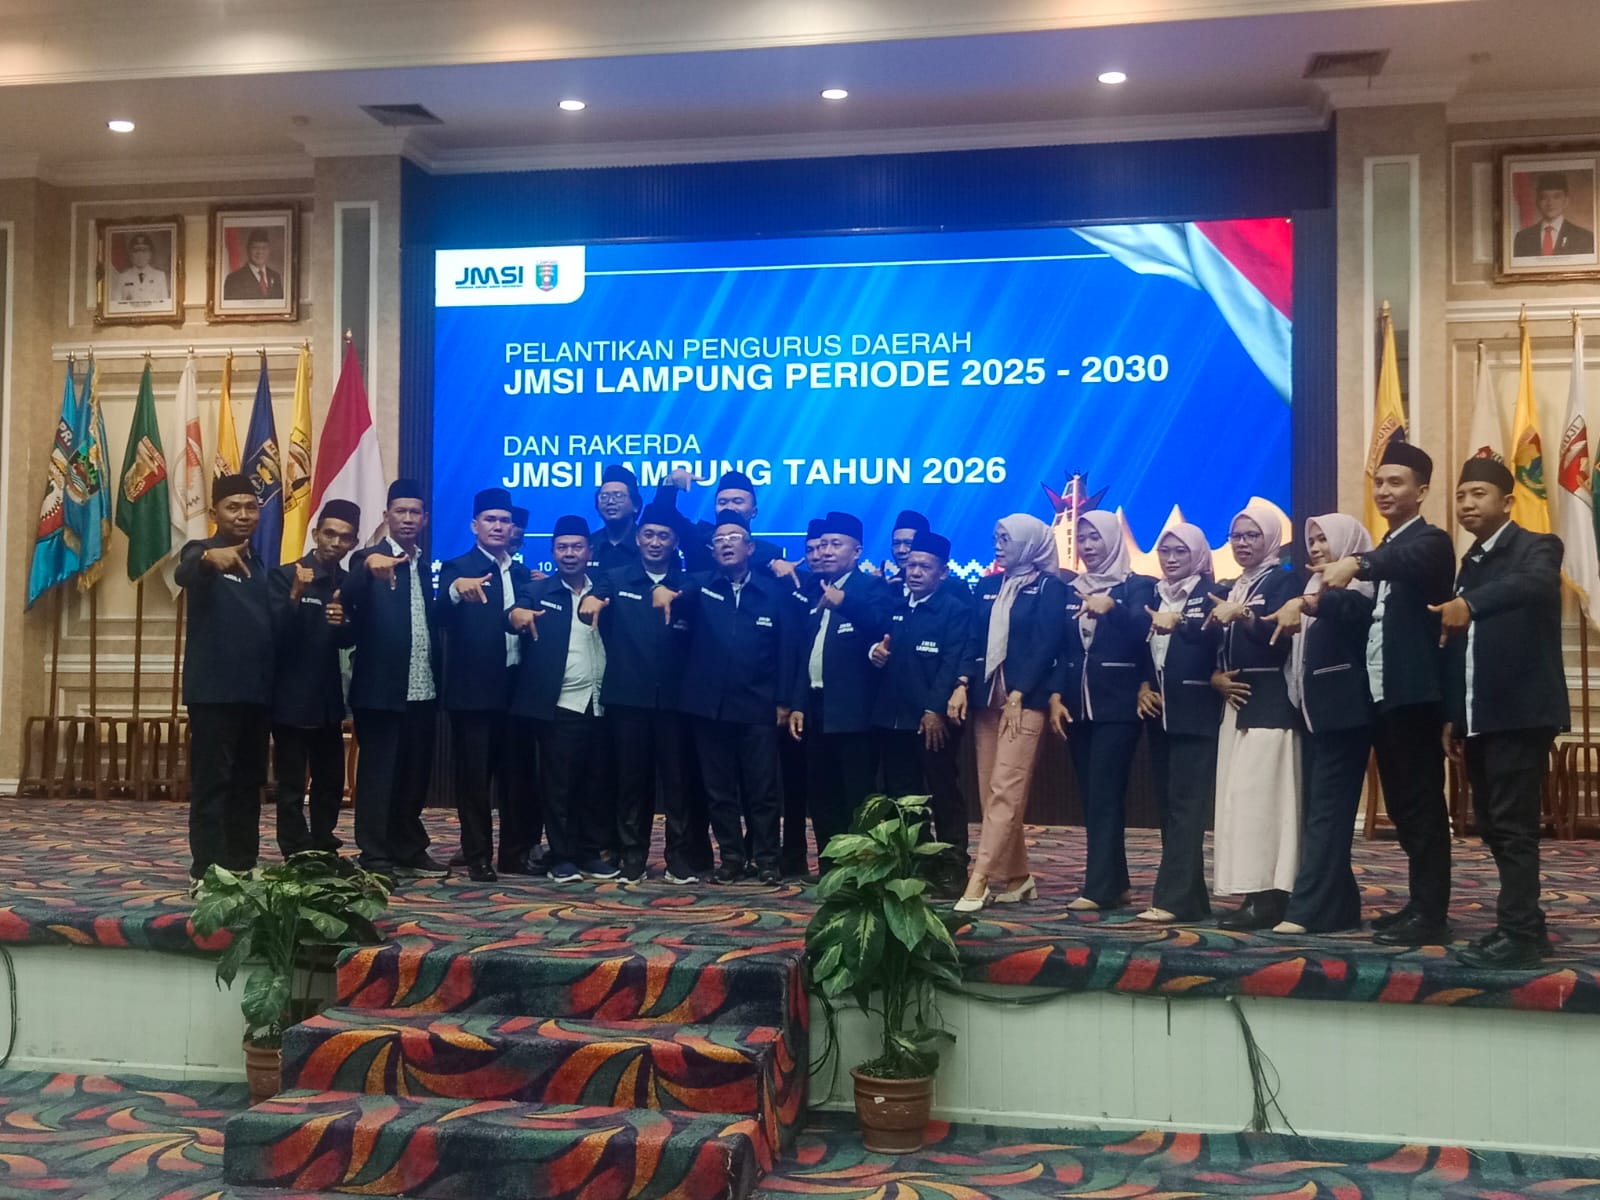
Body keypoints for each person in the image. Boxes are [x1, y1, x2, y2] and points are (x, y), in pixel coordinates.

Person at [1313, 442, 1455, 946]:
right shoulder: (1387, 548)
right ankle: (1419, 904)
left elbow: (1406, 560)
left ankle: (1432, 915)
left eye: (1396, 482)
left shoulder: (1429, 543)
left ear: (1422, 490)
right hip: (1383, 696)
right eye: (1378, 482)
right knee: (1402, 808)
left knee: (1422, 807)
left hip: (1415, 696)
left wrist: (1356, 563)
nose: (1384, 491)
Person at [1438, 457, 1568, 968]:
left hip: (1521, 711)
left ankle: (1519, 934)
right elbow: (1459, 648)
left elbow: (1533, 585)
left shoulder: (1538, 546)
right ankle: (1525, 924)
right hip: (1479, 714)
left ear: (1507, 502)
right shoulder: (1470, 562)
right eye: (1461, 496)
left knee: (1513, 825)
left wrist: (1471, 604)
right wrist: (1453, 715)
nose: (1467, 504)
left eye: (1478, 494)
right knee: (1492, 823)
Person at [582, 503, 713, 883]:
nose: (656, 542)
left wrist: (673, 593)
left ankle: (678, 858)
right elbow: (592, 599)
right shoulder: (614, 578)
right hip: (628, 700)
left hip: (675, 702)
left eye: (664, 536)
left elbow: (700, 586)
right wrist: (588, 603)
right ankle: (633, 855)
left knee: (678, 784)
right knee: (631, 783)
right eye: (649, 535)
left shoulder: (689, 584)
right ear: (638, 538)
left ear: (675, 543)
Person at [665, 511, 799, 884]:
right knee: (719, 790)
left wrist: (784, 701)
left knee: (763, 790)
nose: (725, 544)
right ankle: (732, 858)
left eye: (733, 537)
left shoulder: (773, 593)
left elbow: (787, 651)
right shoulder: (699, 586)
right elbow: (672, 591)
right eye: (719, 540)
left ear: (750, 547)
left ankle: (767, 859)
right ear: (711, 550)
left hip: (759, 705)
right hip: (708, 707)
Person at [953, 514, 1069, 913]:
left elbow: (1046, 644)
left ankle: (980, 878)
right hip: (987, 698)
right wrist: (962, 682)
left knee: (1006, 788)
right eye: (995, 537)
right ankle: (1018, 877)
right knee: (992, 791)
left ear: (1029, 543)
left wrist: (1020, 693)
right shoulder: (987, 585)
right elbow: (972, 638)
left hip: (1025, 701)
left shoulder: (1050, 587)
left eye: (1005, 539)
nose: (998, 545)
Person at [1270, 514, 1375, 935]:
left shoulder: (1360, 587)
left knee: (1327, 817)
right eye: (1310, 540)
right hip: (1312, 718)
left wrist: (1308, 602)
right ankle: (1341, 907)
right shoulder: (1312, 586)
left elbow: (1352, 609)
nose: (1314, 547)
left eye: (1323, 539)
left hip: (1344, 718)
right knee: (1321, 814)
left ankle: (1308, 910)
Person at [1049, 511, 1156, 911]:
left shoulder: (1136, 586)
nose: (1089, 546)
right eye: (1083, 538)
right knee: (1092, 796)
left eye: (1095, 538)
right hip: (1077, 707)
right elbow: (1061, 649)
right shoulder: (1070, 589)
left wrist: (1112, 606)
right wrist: (1056, 696)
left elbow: (1142, 633)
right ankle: (1115, 883)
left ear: (1112, 540)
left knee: (1105, 795)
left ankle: (1099, 888)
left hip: (1118, 707)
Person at [175, 475, 276, 893]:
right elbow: (184, 572)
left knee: (248, 783)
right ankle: (206, 869)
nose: (243, 515)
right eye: (233, 507)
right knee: (212, 783)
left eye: (251, 507)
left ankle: (242, 861)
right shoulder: (202, 550)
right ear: (215, 511)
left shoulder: (261, 565)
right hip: (214, 693)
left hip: (256, 694)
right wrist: (207, 560)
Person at [1208, 499, 1303, 931]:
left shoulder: (1285, 580)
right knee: (1239, 803)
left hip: (1270, 705)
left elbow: (1280, 637)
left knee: (1264, 804)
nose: (1242, 543)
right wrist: (1215, 677)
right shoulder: (1234, 584)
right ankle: (1251, 891)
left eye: (1252, 535)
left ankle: (1271, 896)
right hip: (1237, 706)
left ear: (1272, 539)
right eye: (1236, 536)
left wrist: (1244, 614)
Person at [341, 480, 443, 879]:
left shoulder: (424, 564)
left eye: (415, 512)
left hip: (422, 688)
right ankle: (374, 853)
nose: (407, 518)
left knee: (413, 776)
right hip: (380, 691)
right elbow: (347, 592)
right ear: (386, 516)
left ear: (425, 519)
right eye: (400, 511)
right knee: (378, 776)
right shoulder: (368, 559)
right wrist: (368, 568)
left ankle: (407, 846)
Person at [508, 516, 614, 883]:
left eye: (577, 547)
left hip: (601, 701)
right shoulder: (538, 591)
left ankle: (590, 852)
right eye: (562, 547)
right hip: (561, 702)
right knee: (559, 786)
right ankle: (562, 856)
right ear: (553, 551)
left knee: (596, 783)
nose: (570, 554)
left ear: (589, 551)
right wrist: (516, 615)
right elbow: (515, 613)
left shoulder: (605, 591)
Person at [870, 529, 975, 892]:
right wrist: (875, 653)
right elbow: (880, 648)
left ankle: (952, 864)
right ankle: (916, 861)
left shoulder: (955, 611)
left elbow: (952, 662)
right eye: (911, 565)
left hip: (934, 721)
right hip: (893, 719)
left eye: (924, 567)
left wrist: (934, 710)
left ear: (942, 573)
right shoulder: (896, 607)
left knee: (942, 792)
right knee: (903, 795)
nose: (914, 572)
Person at [437, 487, 532, 883]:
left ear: (513, 528)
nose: (498, 526)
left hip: (517, 691)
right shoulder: (457, 568)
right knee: (474, 781)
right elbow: (439, 614)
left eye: (504, 521)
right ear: (475, 525)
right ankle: (477, 855)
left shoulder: (524, 574)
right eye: (490, 520)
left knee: (517, 779)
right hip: (474, 693)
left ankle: (514, 854)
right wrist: (455, 590)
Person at [789, 511, 892, 864]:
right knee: (821, 794)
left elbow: (882, 624)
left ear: (857, 551)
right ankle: (831, 868)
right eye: (822, 545)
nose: (826, 551)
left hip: (853, 711)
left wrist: (844, 601)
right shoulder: (813, 587)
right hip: (816, 706)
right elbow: (804, 652)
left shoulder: (870, 587)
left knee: (858, 796)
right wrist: (797, 703)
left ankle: (864, 868)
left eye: (836, 544)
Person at [1135, 523, 1224, 924]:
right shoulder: (1153, 595)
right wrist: (1143, 686)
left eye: (1180, 552)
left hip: (1196, 711)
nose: (1170, 559)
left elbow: (1213, 643)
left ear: (1198, 555)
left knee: (1188, 810)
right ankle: (1191, 900)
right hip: (1159, 715)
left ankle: (1171, 900)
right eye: (1165, 551)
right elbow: (1143, 651)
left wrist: (1181, 622)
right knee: (1170, 808)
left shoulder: (1212, 594)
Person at [268, 499, 359, 858]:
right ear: (316, 533)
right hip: (290, 697)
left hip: (328, 699)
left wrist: (345, 623)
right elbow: (273, 633)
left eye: (345, 537)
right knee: (291, 782)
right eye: (329, 533)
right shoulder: (285, 575)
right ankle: (294, 847)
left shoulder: (348, 583)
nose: (335, 542)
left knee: (331, 779)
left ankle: (323, 841)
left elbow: (350, 640)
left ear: (354, 542)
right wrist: (295, 595)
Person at [1512, 172, 1595, 258]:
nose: (1550, 203)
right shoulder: (1522, 238)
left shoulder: (1584, 237)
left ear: (1566, 201)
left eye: (1556, 197)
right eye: (1544, 197)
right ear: (1537, 202)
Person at [592, 465, 643, 572]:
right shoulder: (589, 545)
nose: (610, 501)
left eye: (618, 495)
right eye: (604, 497)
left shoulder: (648, 544)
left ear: (636, 505)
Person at [222, 228, 285, 300]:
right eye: (255, 248)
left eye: (264, 248)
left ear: (269, 250)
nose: (260, 252)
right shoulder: (234, 279)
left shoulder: (275, 277)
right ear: (247, 249)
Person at [110, 232, 169, 305]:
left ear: (150, 254)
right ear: (131, 254)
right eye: (136, 251)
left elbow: (164, 305)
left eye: (144, 250)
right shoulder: (122, 277)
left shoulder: (159, 276)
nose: (140, 255)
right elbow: (116, 305)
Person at [887, 510, 931, 579]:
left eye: (908, 543)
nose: (901, 550)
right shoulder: (889, 584)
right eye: (896, 543)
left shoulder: (944, 584)